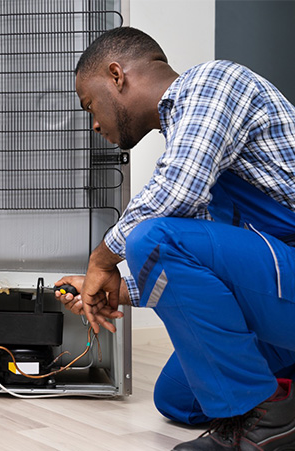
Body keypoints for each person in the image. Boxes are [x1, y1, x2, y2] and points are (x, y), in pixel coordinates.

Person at [54, 27, 295, 450]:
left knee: (153, 237)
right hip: (276, 289)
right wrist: (117, 293)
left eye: (90, 105)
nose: (94, 124)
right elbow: (198, 275)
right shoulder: (193, 138)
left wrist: (100, 262)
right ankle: (282, 400)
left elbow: (173, 199)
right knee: (177, 398)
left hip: (285, 277)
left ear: (117, 75)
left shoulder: (214, 82)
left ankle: (267, 425)